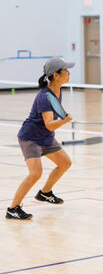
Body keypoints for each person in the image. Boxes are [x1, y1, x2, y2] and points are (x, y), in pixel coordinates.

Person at [7, 58, 75, 220]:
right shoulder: (45, 96)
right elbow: (50, 124)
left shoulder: (58, 90)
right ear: (57, 75)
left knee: (65, 163)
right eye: (66, 70)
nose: (69, 73)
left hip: (45, 137)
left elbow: (49, 126)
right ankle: (12, 208)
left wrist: (61, 119)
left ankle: (45, 193)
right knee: (35, 173)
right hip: (30, 138)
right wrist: (64, 121)